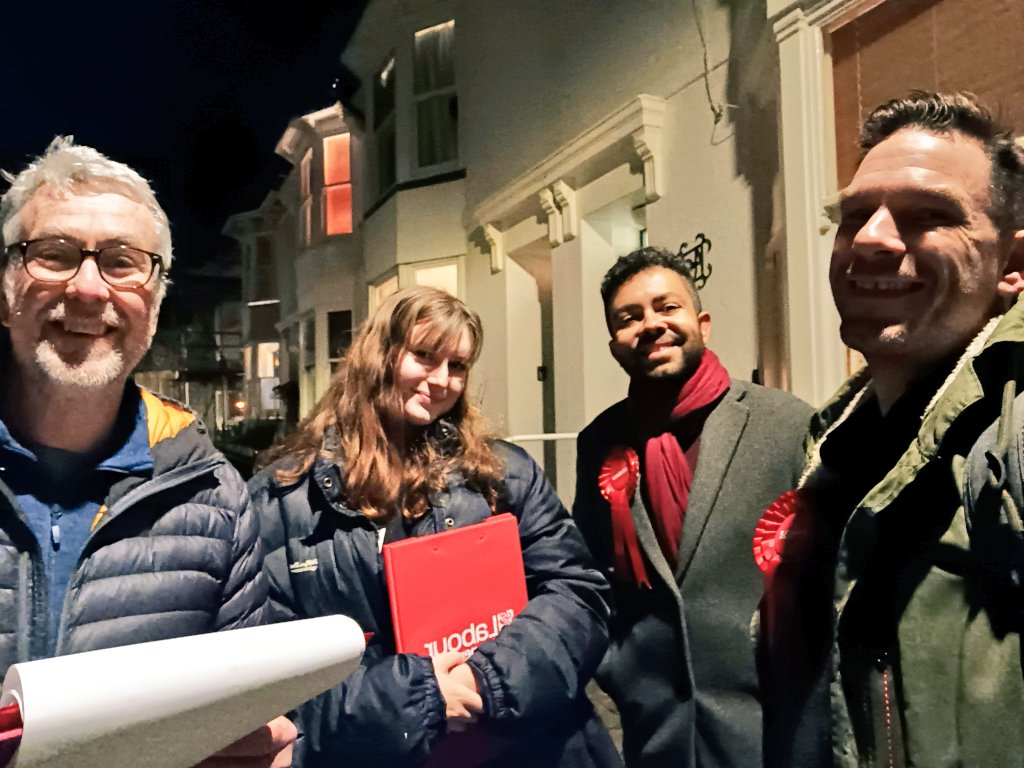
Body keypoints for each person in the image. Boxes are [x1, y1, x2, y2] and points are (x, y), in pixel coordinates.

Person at [0, 137, 295, 767]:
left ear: (154, 302)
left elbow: (242, 714)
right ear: (6, 286)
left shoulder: (214, 500)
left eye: (122, 261)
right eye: (52, 254)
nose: (87, 289)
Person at [759, 92, 1024, 767]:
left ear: (1012, 266)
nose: (870, 239)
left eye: (928, 215)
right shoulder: (832, 442)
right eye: (854, 217)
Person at [251, 286, 620, 768]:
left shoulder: (501, 474)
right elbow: (269, 666)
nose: (442, 380)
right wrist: (417, 696)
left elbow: (577, 594)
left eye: (459, 365)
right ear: (378, 355)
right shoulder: (283, 498)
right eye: (424, 356)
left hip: (527, 745)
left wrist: (485, 678)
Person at [571, 246, 812, 767]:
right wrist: (621, 669)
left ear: (702, 322)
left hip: (771, 728)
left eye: (667, 308)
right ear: (615, 345)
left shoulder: (787, 424)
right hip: (655, 730)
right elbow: (589, 573)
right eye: (629, 318)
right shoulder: (598, 442)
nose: (651, 325)